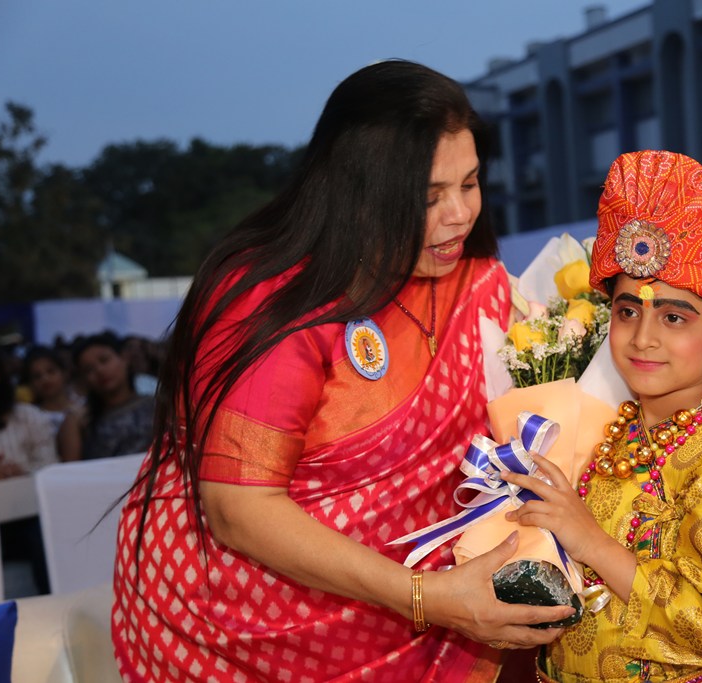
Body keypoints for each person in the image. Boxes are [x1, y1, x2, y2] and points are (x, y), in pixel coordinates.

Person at [111, 60, 573, 683]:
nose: (460, 214)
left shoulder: (479, 285)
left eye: (470, 183)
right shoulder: (274, 297)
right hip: (242, 631)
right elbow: (238, 508)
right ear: (359, 192)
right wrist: (425, 597)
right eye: (428, 197)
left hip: (440, 613)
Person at [502, 151, 702, 682]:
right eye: (628, 311)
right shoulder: (615, 429)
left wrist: (591, 542)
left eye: (674, 317)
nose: (643, 338)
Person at [0, 349, 57, 593]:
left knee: (39, 531)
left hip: (29, 511)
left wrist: (19, 471)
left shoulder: (28, 416)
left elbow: (50, 466)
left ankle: (50, 598)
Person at [57, 332, 155, 461]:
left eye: (104, 360)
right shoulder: (80, 421)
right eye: (89, 369)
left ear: (124, 358)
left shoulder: (157, 406)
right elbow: (71, 469)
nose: (100, 370)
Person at [21, 345, 84, 433]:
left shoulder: (83, 404)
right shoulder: (32, 419)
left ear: (64, 373)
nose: (45, 379)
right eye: (37, 376)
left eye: (51, 371)